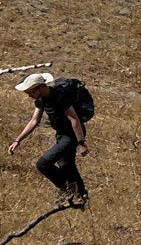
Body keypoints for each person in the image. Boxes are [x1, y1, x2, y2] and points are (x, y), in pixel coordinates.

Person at [7, 71, 93, 205]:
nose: (30, 96)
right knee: (67, 165)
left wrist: (81, 143)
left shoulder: (60, 95)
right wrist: (17, 140)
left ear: (41, 87)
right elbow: (34, 121)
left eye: (31, 92)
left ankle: (67, 190)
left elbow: (74, 119)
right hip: (61, 134)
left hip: (71, 135)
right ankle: (82, 197)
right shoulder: (41, 100)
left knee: (43, 164)